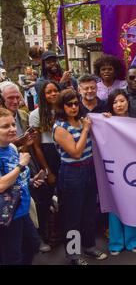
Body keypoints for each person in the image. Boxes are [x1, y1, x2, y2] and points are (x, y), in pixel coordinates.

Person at [53, 89, 108, 265]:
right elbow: (76, 152)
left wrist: (106, 118)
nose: (74, 107)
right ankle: (74, 254)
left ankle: (89, 247)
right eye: (69, 104)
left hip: (89, 170)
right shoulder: (60, 127)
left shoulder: (82, 120)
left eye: (76, 103)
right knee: (72, 216)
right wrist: (85, 130)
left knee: (89, 213)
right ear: (62, 106)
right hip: (72, 173)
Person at [0, 108, 44, 264]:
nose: (12, 128)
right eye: (5, 126)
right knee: (12, 257)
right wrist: (21, 165)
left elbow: (14, 178)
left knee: (33, 245)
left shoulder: (11, 147)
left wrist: (31, 181)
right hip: (7, 216)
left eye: (13, 124)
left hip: (21, 210)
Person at [103, 89, 136, 255]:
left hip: (134, 168)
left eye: (121, 101)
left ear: (128, 102)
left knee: (132, 204)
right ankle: (116, 242)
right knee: (114, 205)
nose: (119, 105)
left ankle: (134, 241)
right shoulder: (106, 122)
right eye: (115, 102)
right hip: (113, 168)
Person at [29, 81, 61, 252]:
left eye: (56, 90)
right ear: (43, 95)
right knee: (45, 200)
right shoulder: (36, 114)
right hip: (47, 157)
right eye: (49, 92)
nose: (53, 94)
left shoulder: (64, 109)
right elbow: (37, 147)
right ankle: (43, 236)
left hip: (64, 153)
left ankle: (61, 233)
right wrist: (47, 170)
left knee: (66, 197)